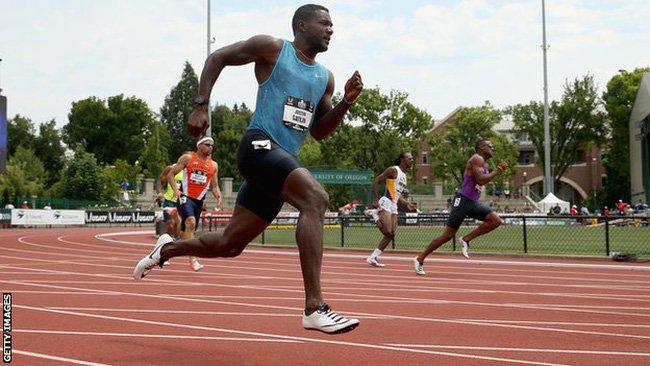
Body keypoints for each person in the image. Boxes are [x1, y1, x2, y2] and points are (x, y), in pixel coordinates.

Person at [133, 4, 363, 334]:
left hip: (279, 162)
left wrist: (346, 102)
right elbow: (219, 57)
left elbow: (320, 131)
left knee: (229, 244)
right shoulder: (273, 48)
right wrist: (201, 105)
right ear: (302, 25)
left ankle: (166, 249)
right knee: (316, 199)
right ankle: (315, 307)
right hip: (259, 146)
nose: (331, 29)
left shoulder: (324, 77)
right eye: (324, 22)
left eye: (332, 24)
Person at [414, 140, 508, 275]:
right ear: (482, 147)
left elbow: (474, 180)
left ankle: (465, 239)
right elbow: (481, 179)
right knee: (447, 235)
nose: (493, 148)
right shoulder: (477, 158)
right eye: (490, 145)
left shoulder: (484, 163)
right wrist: (498, 171)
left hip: (472, 202)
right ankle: (420, 258)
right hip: (463, 200)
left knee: (496, 221)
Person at [167, 137, 222, 271]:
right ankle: (193, 260)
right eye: (208, 145)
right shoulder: (188, 158)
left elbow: (214, 186)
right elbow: (170, 174)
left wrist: (218, 196)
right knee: (191, 223)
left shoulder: (213, 165)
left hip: (199, 200)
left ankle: (167, 247)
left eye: (212, 145)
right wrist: (176, 190)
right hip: (185, 196)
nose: (210, 147)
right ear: (199, 146)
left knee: (188, 232)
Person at [365, 152, 417, 267]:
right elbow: (376, 181)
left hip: (394, 205)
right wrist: (375, 200)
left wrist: (408, 203)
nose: (412, 160)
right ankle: (374, 214)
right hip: (386, 202)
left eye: (412, 158)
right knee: (387, 231)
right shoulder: (393, 170)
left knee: (392, 234)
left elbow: (398, 195)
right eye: (409, 158)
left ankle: (373, 257)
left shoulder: (404, 176)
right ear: (402, 159)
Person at [156, 165, 183, 241]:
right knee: (170, 224)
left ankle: (176, 240)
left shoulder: (190, 171)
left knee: (178, 223)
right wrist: (160, 193)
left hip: (181, 201)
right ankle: (166, 241)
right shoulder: (171, 168)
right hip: (169, 200)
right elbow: (160, 181)